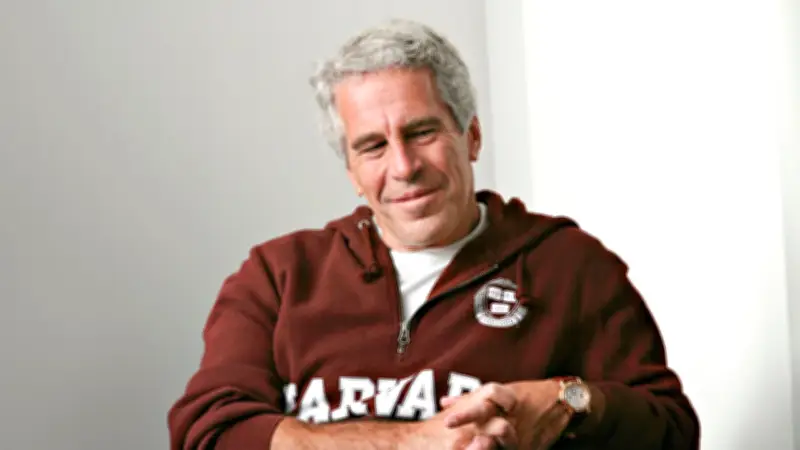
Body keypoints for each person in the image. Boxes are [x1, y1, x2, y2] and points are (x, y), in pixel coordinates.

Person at [167, 19, 700, 450]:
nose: (403, 167)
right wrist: (411, 442)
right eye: (373, 146)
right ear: (352, 172)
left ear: (472, 136)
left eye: (421, 132)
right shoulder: (278, 276)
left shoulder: (569, 265)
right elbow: (207, 432)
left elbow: (674, 431)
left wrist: (570, 402)